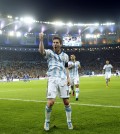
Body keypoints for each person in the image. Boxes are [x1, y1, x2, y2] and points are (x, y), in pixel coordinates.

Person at [39, 32, 73, 131]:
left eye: (57, 42)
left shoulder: (65, 56)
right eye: (53, 42)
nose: (55, 44)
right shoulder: (49, 53)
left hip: (62, 79)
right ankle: (47, 122)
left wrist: (68, 78)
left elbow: (66, 68)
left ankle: (69, 121)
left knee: (66, 102)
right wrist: (41, 40)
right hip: (52, 79)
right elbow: (41, 51)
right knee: (50, 102)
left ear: (60, 44)